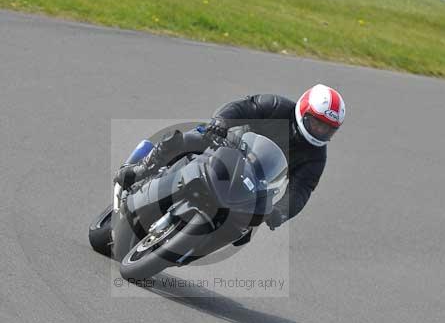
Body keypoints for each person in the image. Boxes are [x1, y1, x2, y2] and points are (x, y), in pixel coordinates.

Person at [115, 84, 346, 230]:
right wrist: (221, 123)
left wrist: (281, 212)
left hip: (255, 184)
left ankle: (195, 243)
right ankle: (141, 169)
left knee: (244, 229)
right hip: (229, 147)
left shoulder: (316, 157)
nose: (321, 131)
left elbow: (300, 191)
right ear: (304, 111)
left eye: (328, 128)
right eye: (317, 123)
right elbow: (242, 107)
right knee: (194, 138)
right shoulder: (276, 106)